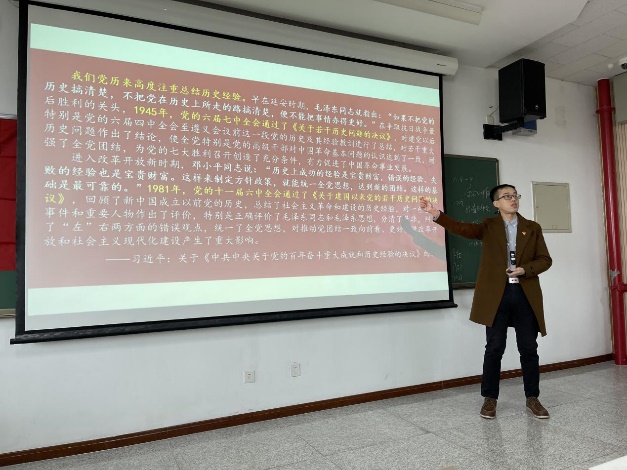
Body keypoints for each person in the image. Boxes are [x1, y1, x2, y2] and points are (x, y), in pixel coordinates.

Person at [419, 184, 552, 419]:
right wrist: (436, 214)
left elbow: (545, 259)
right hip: (496, 295)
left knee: (529, 349)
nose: (513, 199)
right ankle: (490, 399)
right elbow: (462, 228)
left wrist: (525, 269)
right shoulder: (488, 226)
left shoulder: (532, 228)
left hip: (525, 294)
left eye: (515, 195)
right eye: (507, 196)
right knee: (494, 348)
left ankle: (532, 397)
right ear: (496, 203)